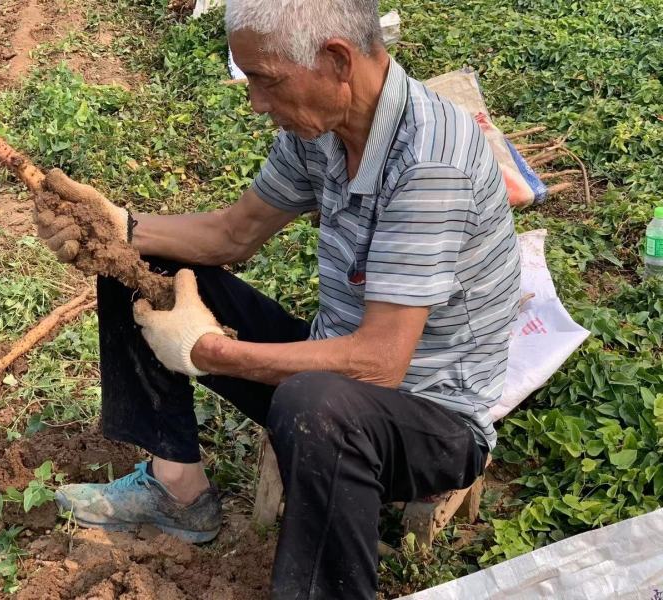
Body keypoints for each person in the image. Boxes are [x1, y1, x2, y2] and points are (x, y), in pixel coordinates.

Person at [35, 0, 521, 597]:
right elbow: (233, 234)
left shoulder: (429, 162)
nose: (257, 105)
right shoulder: (324, 129)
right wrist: (120, 226)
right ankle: (177, 490)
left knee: (314, 403)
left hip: (430, 422)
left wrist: (207, 351)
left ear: (337, 59)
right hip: (334, 366)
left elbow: (379, 363)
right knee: (133, 263)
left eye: (266, 81)